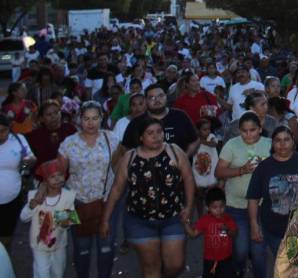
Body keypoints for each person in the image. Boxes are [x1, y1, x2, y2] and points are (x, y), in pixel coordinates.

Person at [100, 118, 195, 278]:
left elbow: (189, 179)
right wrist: (105, 220)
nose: (156, 136)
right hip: (140, 221)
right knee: (151, 266)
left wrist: (189, 207)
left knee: (175, 265)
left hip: (172, 218)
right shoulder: (130, 157)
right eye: (150, 133)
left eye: (159, 132)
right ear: (141, 137)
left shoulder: (174, 151)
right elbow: (116, 190)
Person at [59, 101, 121, 278]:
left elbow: (119, 168)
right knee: (81, 248)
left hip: (106, 202)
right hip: (77, 203)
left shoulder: (112, 139)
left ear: (102, 118)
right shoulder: (69, 143)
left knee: (106, 247)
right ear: (79, 119)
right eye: (86, 118)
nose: (91, 123)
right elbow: (59, 175)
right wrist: (58, 209)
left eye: (95, 118)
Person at [215, 112, 271, 278]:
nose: (248, 134)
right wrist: (241, 170)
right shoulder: (232, 145)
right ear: (239, 131)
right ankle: (239, 270)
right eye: (244, 131)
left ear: (260, 129)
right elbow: (219, 171)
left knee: (258, 251)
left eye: (252, 130)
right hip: (236, 206)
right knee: (240, 250)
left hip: (262, 206)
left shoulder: (270, 144)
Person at [246, 127, 298, 261]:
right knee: (283, 263)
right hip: (274, 229)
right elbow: (253, 198)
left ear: (293, 141)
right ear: (272, 143)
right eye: (278, 140)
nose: (282, 144)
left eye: (286, 140)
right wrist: (254, 224)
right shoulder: (264, 167)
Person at [19, 159, 76, 278]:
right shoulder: (35, 196)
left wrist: (65, 223)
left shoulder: (68, 196)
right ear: (45, 180)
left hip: (59, 244)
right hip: (39, 246)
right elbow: (23, 218)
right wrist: (33, 204)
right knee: (42, 273)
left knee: (58, 272)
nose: (57, 179)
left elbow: (67, 224)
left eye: (60, 175)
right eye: (52, 177)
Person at [121, 84, 198, 157]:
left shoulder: (180, 116)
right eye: (152, 97)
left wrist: (184, 157)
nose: (157, 100)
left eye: (160, 96)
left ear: (166, 97)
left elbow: (195, 140)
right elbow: (125, 147)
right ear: (146, 101)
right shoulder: (136, 122)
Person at [0, 115, 35, 250]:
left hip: (13, 197)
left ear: (9, 128)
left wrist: (28, 162)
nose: (0, 135)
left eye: (3, 131)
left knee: (7, 235)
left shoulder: (18, 139)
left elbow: (30, 160)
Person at [185, 187, 237, 278]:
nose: (219, 210)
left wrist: (227, 230)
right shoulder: (204, 220)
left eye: (222, 206)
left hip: (226, 258)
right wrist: (185, 224)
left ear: (225, 204)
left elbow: (234, 233)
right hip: (209, 259)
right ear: (207, 207)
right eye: (215, 207)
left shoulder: (228, 219)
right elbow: (193, 234)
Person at [27, 101, 77, 178]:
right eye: (49, 114)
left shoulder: (70, 129)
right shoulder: (34, 136)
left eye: (56, 112)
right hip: (44, 178)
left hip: (70, 177)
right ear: (41, 118)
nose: (53, 116)